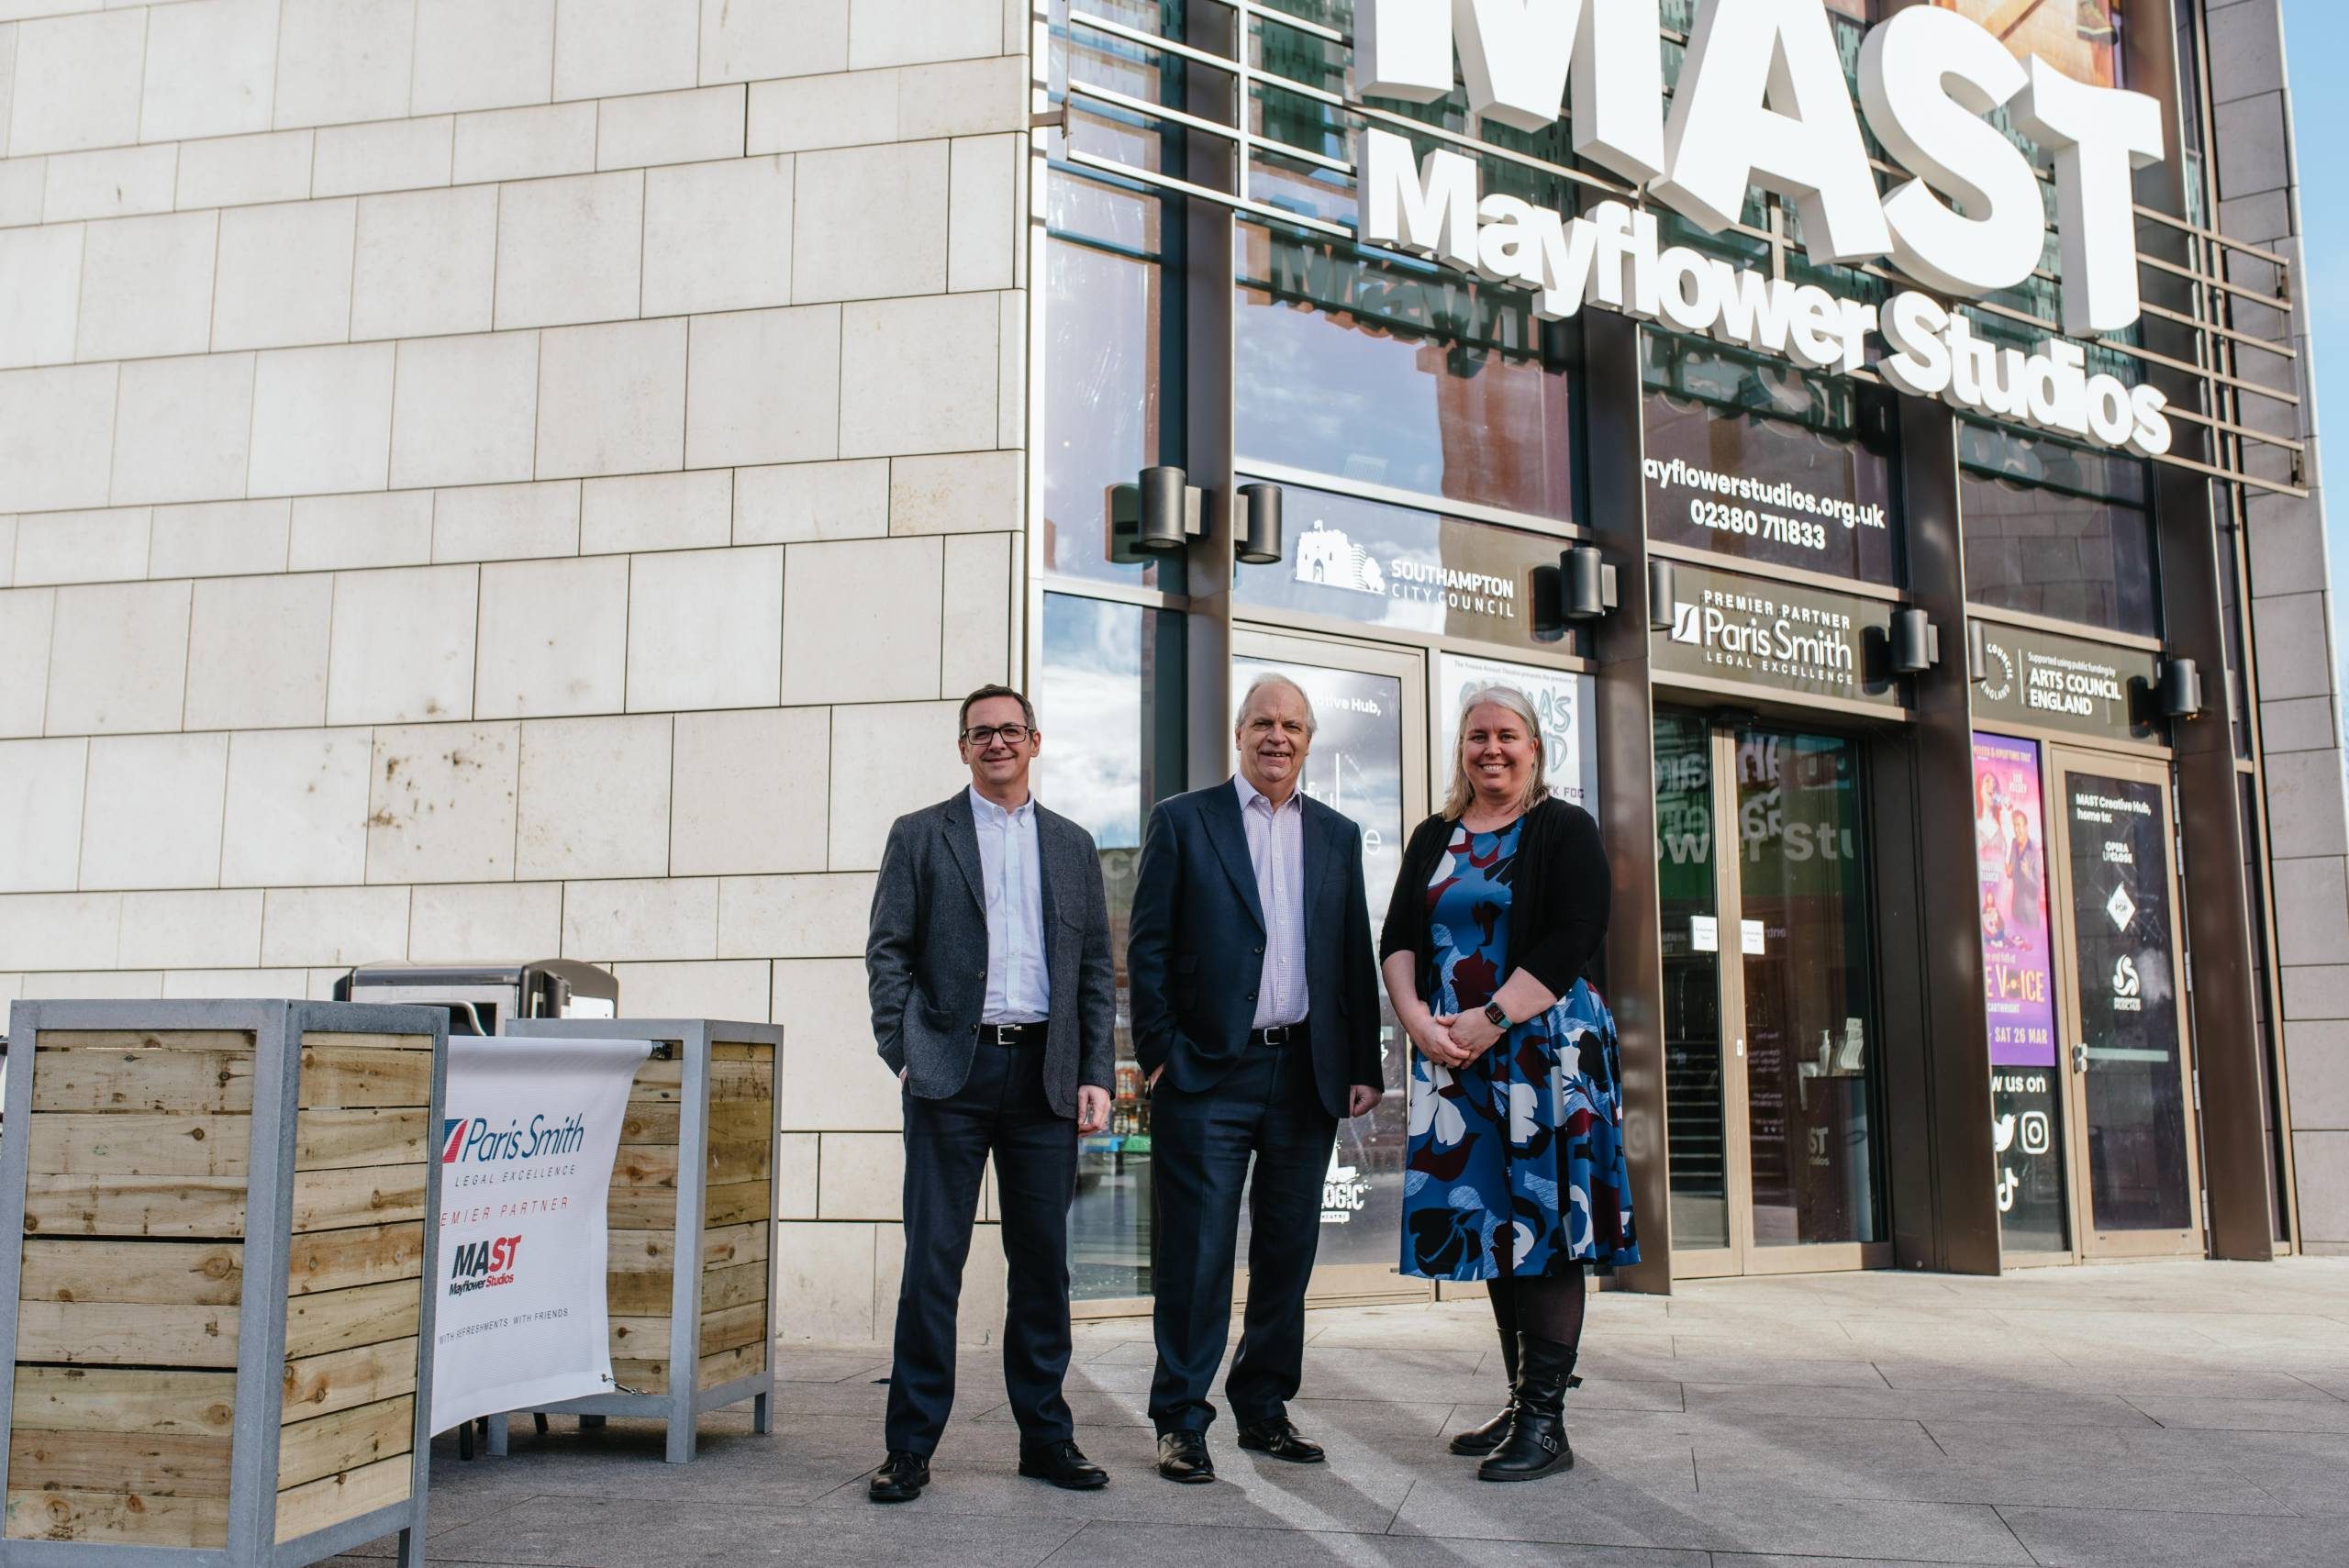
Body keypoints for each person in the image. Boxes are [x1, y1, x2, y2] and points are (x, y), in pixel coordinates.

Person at [1127, 673, 1385, 1484]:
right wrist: (1161, 1051)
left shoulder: (1338, 836)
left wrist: (1363, 1066)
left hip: (1304, 1070)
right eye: (1264, 723)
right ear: (1239, 734)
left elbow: (1352, 956)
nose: (1278, 737)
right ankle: (1180, 1418)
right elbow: (1149, 948)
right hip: (1209, 1072)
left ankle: (1264, 1407)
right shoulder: (1183, 821)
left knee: (1286, 1253)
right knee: (1196, 1254)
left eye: (1294, 726)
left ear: (1309, 742)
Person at [863, 684, 1117, 1503]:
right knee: (932, 1263)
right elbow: (887, 953)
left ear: (1035, 742)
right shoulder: (920, 835)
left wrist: (1094, 1074)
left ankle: (1046, 1437)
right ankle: (909, 1448)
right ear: (963, 746)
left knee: (1041, 1267)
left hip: (1044, 1074)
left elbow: (1091, 976)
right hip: (952, 1073)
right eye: (982, 733)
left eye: (1011, 730)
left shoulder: (1074, 845)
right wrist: (905, 1050)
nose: (997, 742)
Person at [1379, 684, 1637, 1483]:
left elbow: (1576, 933)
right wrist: (1419, 1021)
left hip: (1547, 1054)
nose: (1491, 749)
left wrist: (1491, 1014)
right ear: (1462, 748)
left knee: (1546, 1225)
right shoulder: (1435, 835)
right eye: (1477, 736)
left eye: (1507, 736)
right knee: (1493, 1226)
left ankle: (1547, 1422)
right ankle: (1524, 1399)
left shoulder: (1563, 828)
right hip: (1460, 1057)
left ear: (1534, 747)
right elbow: (1398, 937)